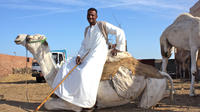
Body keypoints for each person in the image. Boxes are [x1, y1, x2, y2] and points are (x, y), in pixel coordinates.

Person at [52, 8, 126, 108]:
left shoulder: (102, 25)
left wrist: (118, 48)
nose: (90, 17)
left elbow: (120, 31)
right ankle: (61, 93)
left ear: (96, 16)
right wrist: (79, 55)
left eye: (92, 15)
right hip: (87, 54)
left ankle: (88, 102)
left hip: (98, 54)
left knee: (84, 72)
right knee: (66, 64)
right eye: (89, 15)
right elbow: (84, 45)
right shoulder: (87, 29)